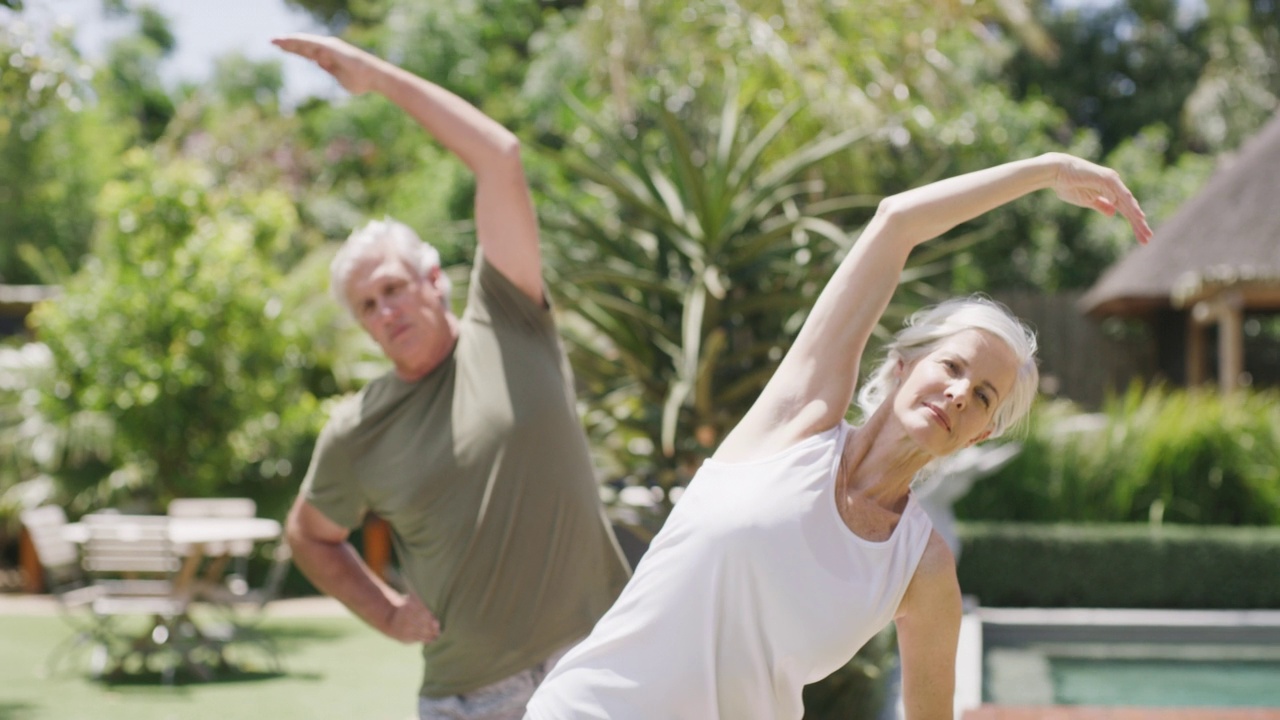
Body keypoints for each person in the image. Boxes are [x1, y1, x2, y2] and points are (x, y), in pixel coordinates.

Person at [524, 153, 1152, 720]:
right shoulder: (797, 420)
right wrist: (1045, 171)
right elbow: (895, 224)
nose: (961, 393)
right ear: (904, 363)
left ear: (977, 436)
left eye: (983, 397)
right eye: (952, 366)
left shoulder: (923, 568)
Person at [272, 34, 631, 720]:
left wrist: (376, 78)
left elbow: (499, 157)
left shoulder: (509, 323)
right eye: (368, 307)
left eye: (393, 289)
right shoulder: (357, 429)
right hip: (472, 698)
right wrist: (385, 612)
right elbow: (309, 534)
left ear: (434, 280)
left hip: (597, 668)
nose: (385, 313)